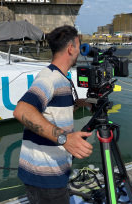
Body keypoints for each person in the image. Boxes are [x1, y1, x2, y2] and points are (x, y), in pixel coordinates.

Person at [13, 25, 93, 204]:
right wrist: (66, 139)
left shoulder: (60, 77)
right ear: (71, 48)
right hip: (45, 178)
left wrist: (83, 104)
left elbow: (53, 111)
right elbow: (22, 110)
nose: (80, 51)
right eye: (79, 46)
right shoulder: (49, 78)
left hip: (52, 173)